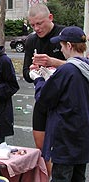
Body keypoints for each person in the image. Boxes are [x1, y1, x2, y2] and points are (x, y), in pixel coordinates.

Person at [29, 26, 89, 182]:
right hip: (83, 136)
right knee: (78, 177)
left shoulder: (67, 70)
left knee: (61, 177)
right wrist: (51, 77)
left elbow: (44, 99)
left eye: (61, 46)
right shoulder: (85, 67)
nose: (61, 50)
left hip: (65, 137)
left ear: (69, 45)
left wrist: (38, 79)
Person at [22, 3, 66, 176]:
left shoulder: (64, 34)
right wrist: (33, 70)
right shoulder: (32, 40)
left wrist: (52, 63)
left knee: (61, 148)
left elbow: (79, 66)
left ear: (50, 18)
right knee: (41, 147)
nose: (36, 28)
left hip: (63, 101)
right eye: (32, 25)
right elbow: (25, 73)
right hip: (42, 98)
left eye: (39, 23)